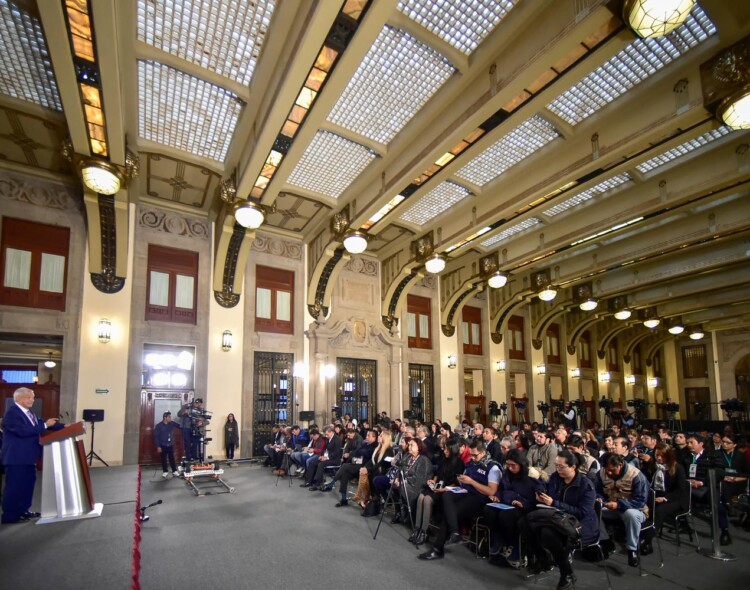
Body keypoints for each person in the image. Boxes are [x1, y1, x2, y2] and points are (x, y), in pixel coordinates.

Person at [519, 450, 597, 590]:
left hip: (580, 525)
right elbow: (551, 496)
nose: (557, 469)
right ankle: (544, 560)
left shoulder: (586, 485)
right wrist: (542, 496)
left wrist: (554, 503)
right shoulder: (556, 477)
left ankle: (566, 572)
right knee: (524, 523)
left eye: (561, 467)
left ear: (573, 467)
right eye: (556, 466)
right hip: (556, 518)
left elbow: (582, 512)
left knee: (547, 533)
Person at [418, 440, 501, 561]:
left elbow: (491, 491)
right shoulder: (471, 464)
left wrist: (471, 482)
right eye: (471, 455)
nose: (472, 457)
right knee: (447, 495)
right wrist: (461, 481)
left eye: (475, 455)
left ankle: (438, 548)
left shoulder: (493, 467)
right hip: (464, 492)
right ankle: (454, 532)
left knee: (450, 513)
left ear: (483, 453)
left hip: (479, 499)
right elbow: (464, 482)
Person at [1, 387, 63, 524]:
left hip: (29, 457)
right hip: (16, 458)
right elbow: (23, 431)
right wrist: (45, 425)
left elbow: (44, 424)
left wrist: (67, 426)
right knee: (14, 487)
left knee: (27, 485)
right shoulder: (12, 414)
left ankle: (23, 510)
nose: (32, 400)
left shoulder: (29, 413)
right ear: (18, 398)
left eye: (32, 398)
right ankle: (10, 515)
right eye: (28, 397)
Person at [484, 448, 545, 567]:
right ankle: (498, 539)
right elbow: (502, 489)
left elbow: (537, 497)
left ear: (521, 464)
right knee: (488, 509)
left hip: (524, 508)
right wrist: (496, 496)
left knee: (506, 516)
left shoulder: (532, 476)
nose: (510, 468)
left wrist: (522, 503)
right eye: (508, 465)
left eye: (513, 465)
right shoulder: (508, 475)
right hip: (507, 502)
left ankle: (515, 545)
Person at [596, 454, 649, 567]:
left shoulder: (636, 475)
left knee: (631, 515)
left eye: (611, 470)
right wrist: (600, 498)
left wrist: (619, 505)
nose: (608, 473)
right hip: (610, 507)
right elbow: (597, 490)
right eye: (606, 469)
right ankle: (605, 542)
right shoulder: (602, 472)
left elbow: (640, 501)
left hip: (634, 509)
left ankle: (632, 550)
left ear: (620, 465)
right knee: (593, 509)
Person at [411, 439, 464, 545]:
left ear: (453, 450)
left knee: (427, 499)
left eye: (447, 450)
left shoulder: (459, 463)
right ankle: (417, 529)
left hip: (447, 490)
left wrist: (443, 489)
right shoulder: (443, 460)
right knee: (421, 496)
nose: (445, 451)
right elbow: (437, 474)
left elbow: (457, 483)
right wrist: (433, 481)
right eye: (444, 449)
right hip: (438, 486)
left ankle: (424, 532)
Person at [650, 442, 688, 549]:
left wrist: (665, 498)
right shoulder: (654, 466)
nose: (659, 458)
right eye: (657, 455)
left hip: (676, 499)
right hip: (658, 495)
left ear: (668, 456)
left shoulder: (678, 468)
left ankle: (648, 538)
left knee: (660, 509)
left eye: (662, 456)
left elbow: (680, 490)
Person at [154, 411, 181, 478]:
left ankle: (174, 471)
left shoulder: (172, 423)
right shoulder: (158, 426)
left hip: (170, 444)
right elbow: (156, 437)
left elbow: (180, 426)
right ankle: (165, 471)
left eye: (170, 417)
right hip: (163, 445)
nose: (170, 418)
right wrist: (158, 446)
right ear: (165, 418)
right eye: (169, 417)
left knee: (172, 458)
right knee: (164, 459)